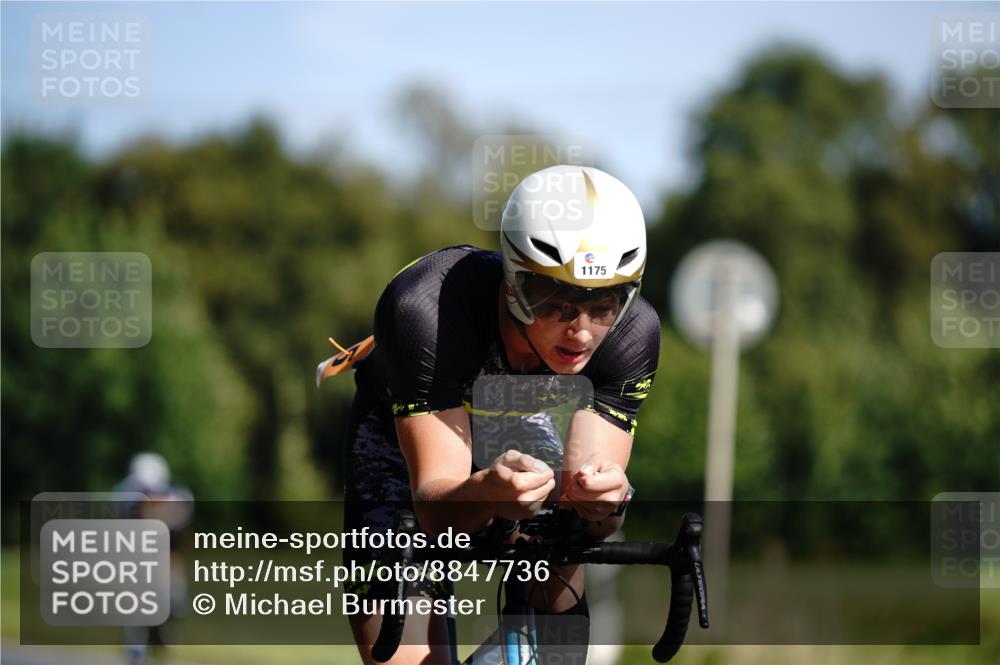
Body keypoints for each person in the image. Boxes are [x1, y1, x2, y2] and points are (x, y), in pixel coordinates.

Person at [339, 164, 660, 664]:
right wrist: (489, 494)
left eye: (603, 305)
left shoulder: (633, 333)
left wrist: (607, 501)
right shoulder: (426, 308)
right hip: (406, 449)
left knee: (561, 596)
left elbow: (594, 519)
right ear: (513, 283)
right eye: (556, 303)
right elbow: (436, 507)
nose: (581, 331)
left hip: (518, 431)